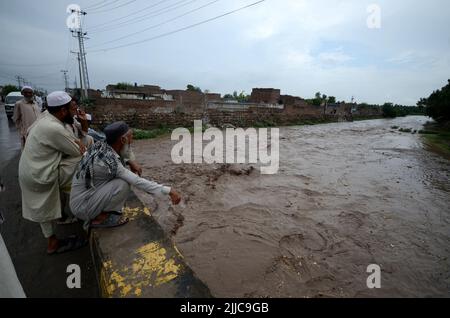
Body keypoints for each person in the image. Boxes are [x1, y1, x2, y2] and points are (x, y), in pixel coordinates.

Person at [70, 121, 181, 228]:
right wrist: (169, 191)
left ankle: (101, 211)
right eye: (130, 138)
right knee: (123, 183)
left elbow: (121, 154)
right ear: (122, 140)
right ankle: (100, 218)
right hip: (82, 207)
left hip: (81, 199)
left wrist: (130, 161)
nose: (132, 141)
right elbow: (137, 181)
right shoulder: (110, 163)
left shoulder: (100, 145)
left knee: (121, 177)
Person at [18, 91, 87, 255]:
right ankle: (87, 207)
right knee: (86, 162)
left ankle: (52, 241)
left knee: (44, 207)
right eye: (72, 109)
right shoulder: (54, 128)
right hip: (39, 174)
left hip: (30, 171)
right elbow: (78, 150)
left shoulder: (45, 117)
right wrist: (78, 144)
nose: (75, 112)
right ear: (63, 111)